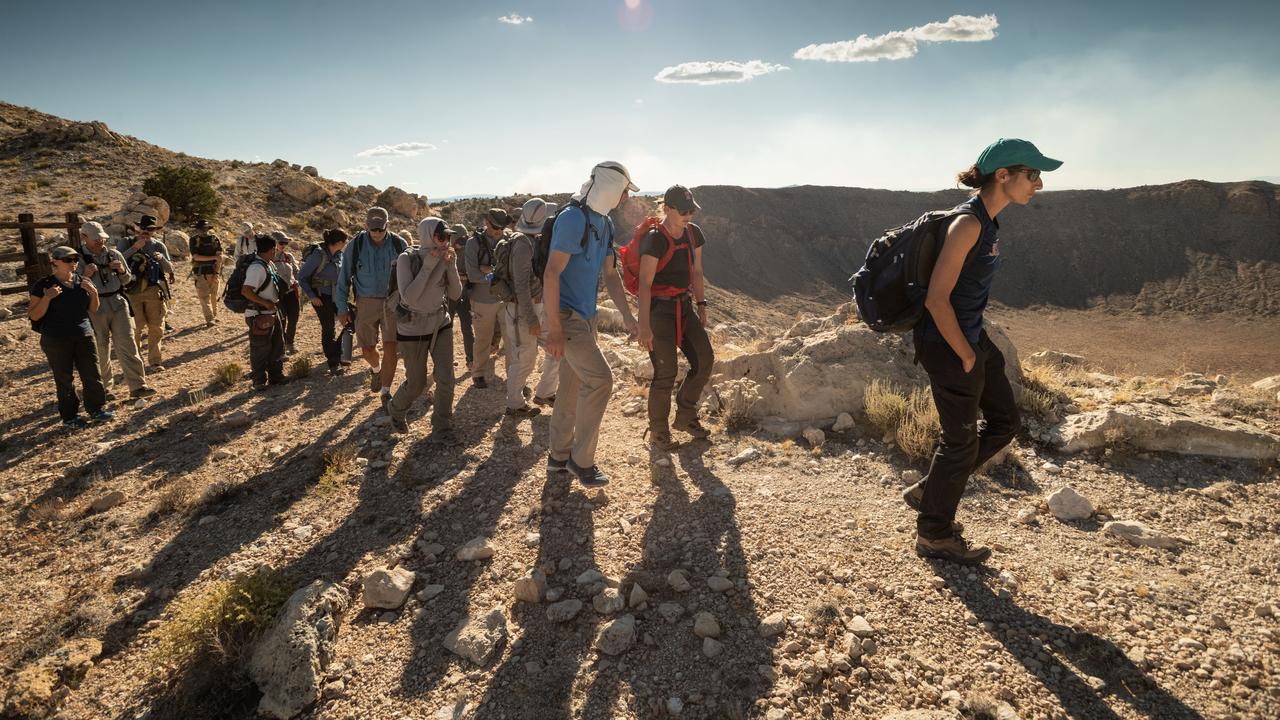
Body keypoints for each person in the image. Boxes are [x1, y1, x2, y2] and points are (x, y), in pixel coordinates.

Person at [903, 138, 1061, 565]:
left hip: (970, 338)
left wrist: (976, 348)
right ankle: (934, 535)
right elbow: (938, 298)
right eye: (1033, 174)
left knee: (1005, 421)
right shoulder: (969, 224)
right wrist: (966, 354)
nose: (1040, 184)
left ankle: (930, 490)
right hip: (948, 343)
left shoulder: (989, 221)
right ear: (1003, 175)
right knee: (959, 441)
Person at [544, 161, 640, 487]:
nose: (627, 197)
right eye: (625, 190)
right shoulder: (573, 220)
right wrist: (554, 329)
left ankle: (558, 457)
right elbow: (551, 273)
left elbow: (611, 274)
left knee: (570, 389)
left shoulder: (604, 223)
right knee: (600, 380)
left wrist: (627, 316)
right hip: (567, 319)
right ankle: (580, 462)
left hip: (588, 319)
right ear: (612, 188)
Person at [636, 185, 714, 449]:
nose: (688, 215)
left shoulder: (694, 234)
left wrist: (701, 305)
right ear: (667, 208)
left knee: (704, 360)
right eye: (683, 211)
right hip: (660, 311)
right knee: (665, 372)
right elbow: (645, 284)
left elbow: (698, 271)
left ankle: (685, 415)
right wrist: (643, 325)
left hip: (685, 306)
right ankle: (659, 432)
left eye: (691, 210)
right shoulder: (655, 238)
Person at [387, 218, 462, 435]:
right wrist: (429, 265)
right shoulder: (406, 259)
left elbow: (456, 294)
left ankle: (442, 425)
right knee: (417, 383)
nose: (446, 241)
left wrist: (452, 266)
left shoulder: (445, 258)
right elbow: (409, 298)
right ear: (428, 236)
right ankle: (396, 409)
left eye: (448, 237)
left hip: (440, 322)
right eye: (441, 237)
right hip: (413, 328)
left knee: (446, 378)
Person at [29, 246, 114, 428]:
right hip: (56, 339)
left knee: (92, 374)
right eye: (68, 260)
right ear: (55, 261)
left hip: (84, 335)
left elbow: (93, 309)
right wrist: (47, 298)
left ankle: (96, 409)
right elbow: (34, 315)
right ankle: (70, 417)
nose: (73, 263)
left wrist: (94, 293)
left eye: (75, 259)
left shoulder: (81, 281)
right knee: (64, 379)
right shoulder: (43, 285)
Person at [335, 207, 408, 401]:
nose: (376, 233)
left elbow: (409, 276)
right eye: (373, 229)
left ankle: (385, 391)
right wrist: (342, 308)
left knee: (391, 346)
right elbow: (343, 278)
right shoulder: (356, 245)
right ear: (366, 226)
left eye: (381, 229)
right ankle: (376, 370)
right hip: (365, 303)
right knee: (367, 348)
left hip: (392, 302)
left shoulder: (399, 244)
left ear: (387, 226)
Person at [78, 222, 153, 400]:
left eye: (102, 238)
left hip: (118, 302)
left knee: (127, 343)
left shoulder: (114, 254)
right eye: (96, 239)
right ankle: (103, 389)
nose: (100, 242)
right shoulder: (77, 258)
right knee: (101, 347)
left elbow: (128, 280)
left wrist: (121, 270)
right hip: (94, 306)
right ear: (84, 237)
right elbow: (71, 285)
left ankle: (138, 386)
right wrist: (84, 276)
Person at [500, 198, 558, 418]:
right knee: (524, 358)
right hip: (523, 310)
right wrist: (531, 319)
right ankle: (514, 404)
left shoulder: (533, 240)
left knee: (555, 349)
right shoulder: (523, 244)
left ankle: (545, 392)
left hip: (537, 306)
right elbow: (521, 285)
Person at [118, 215, 174, 370]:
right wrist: (134, 248)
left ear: (154, 230)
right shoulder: (126, 242)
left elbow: (170, 269)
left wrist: (161, 259)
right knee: (135, 329)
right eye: (143, 228)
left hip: (153, 291)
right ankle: (137, 362)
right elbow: (117, 261)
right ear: (137, 228)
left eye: (150, 229)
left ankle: (155, 361)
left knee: (156, 327)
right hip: (131, 291)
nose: (146, 232)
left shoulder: (159, 246)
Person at [465, 208, 510, 388]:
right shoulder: (473, 243)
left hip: (505, 299)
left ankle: (512, 375)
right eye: (495, 227)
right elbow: (473, 275)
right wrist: (498, 276)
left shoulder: (509, 240)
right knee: (483, 338)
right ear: (487, 223)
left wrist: (489, 271)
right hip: (482, 300)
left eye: (502, 227)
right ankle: (478, 373)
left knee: (511, 338)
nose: (499, 231)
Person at [240, 234, 290, 389]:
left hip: (269, 313)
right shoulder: (256, 268)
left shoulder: (266, 264)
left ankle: (276, 376)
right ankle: (259, 381)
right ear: (272, 250)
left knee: (276, 346)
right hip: (259, 314)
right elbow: (246, 291)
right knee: (260, 349)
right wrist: (265, 303)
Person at [299, 228, 349, 375]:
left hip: (337, 296)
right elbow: (301, 276)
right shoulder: (318, 255)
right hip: (321, 297)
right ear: (339, 242)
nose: (346, 244)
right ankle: (333, 363)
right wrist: (312, 296)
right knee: (329, 329)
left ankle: (338, 351)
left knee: (352, 319)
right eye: (345, 241)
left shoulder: (340, 255)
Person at [270, 230, 302, 354]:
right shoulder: (268, 257)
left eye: (285, 243)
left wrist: (298, 279)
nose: (283, 245)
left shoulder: (288, 257)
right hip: (277, 295)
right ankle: (281, 346)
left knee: (293, 318)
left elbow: (296, 270)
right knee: (281, 320)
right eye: (281, 242)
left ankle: (290, 342)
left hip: (291, 292)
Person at [448, 223, 475, 370]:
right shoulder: (447, 252)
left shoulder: (470, 251)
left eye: (465, 238)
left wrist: (466, 277)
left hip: (465, 296)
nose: (462, 242)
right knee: (447, 329)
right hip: (450, 296)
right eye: (460, 239)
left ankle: (471, 358)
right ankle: (447, 359)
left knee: (467, 327)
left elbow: (475, 272)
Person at [189, 218, 223, 327]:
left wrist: (217, 273)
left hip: (213, 271)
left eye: (204, 229)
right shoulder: (194, 240)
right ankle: (209, 319)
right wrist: (213, 258)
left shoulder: (214, 239)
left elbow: (220, 258)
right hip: (200, 273)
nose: (202, 231)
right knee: (204, 297)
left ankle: (214, 316)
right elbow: (196, 257)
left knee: (213, 296)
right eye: (201, 229)